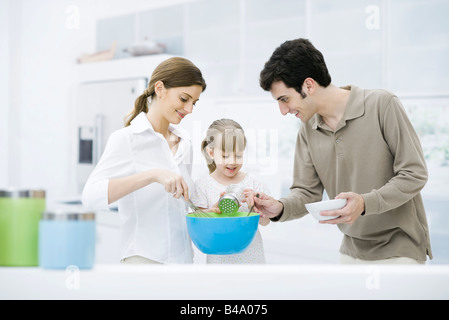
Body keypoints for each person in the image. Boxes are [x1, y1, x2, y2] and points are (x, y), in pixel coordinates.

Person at [252, 38, 432, 264]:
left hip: (400, 250)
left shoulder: (381, 105)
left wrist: (365, 203)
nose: (283, 110)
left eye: (285, 99)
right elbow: (307, 193)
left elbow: (414, 174)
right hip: (350, 251)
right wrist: (279, 207)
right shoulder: (308, 129)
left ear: (308, 85)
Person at [82, 57, 207, 264]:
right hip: (145, 261)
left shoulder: (185, 143)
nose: (190, 109)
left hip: (183, 262)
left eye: (194, 102)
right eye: (184, 99)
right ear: (160, 88)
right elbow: (90, 197)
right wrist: (152, 175)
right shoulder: (127, 140)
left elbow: (176, 205)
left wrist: (203, 213)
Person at [190, 119, 270, 264]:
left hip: (252, 259)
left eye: (238, 155)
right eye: (226, 156)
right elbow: (200, 226)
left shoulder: (253, 184)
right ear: (211, 153)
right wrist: (213, 210)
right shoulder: (202, 185)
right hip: (219, 260)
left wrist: (258, 209)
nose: (232, 162)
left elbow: (265, 222)